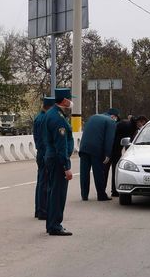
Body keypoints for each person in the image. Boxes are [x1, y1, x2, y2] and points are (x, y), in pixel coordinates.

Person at [43, 88, 75, 236]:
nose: (71, 101)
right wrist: (66, 167)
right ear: (64, 101)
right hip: (57, 160)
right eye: (69, 99)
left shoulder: (53, 114)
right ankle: (55, 225)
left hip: (51, 158)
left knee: (52, 192)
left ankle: (51, 224)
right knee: (58, 193)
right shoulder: (58, 119)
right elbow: (61, 146)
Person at [78, 108, 119, 201]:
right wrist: (108, 154)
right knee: (99, 173)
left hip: (84, 148)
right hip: (96, 150)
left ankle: (84, 195)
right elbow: (109, 139)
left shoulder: (93, 117)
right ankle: (101, 195)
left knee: (84, 173)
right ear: (113, 116)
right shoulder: (111, 121)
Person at [110, 115, 148, 197]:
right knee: (114, 169)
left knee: (110, 169)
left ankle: (112, 191)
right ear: (137, 121)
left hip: (114, 146)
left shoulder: (130, 124)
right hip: (114, 147)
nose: (141, 125)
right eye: (141, 122)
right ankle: (114, 191)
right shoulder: (130, 127)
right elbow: (128, 144)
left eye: (143, 123)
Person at [32, 96, 55, 220]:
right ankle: (42, 211)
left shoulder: (40, 117)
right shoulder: (43, 119)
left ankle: (39, 209)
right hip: (44, 154)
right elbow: (42, 140)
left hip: (41, 153)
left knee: (41, 182)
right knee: (44, 183)